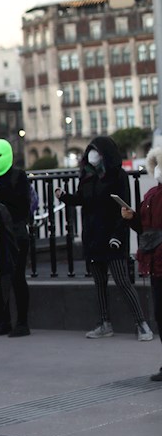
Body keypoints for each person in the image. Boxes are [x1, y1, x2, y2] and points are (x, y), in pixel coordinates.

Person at [56, 137, 152, 341]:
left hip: (112, 236)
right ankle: (104, 323)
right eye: (90, 150)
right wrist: (65, 197)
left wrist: (118, 235)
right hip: (93, 236)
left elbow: (123, 207)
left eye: (96, 150)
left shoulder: (118, 176)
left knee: (122, 280)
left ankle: (141, 323)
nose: (92, 154)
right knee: (99, 282)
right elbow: (82, 199)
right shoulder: (87, 176)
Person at [120, 146, 162, 379]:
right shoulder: (152, 195)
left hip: (158, 260)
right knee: (160, 315)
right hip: (156, 262)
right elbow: (146, 229)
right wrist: (132, 218)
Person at [0, 139, 33, 337]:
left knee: (17, 278)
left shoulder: (18, 176)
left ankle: (22, 323)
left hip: (16, 235)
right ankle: (2, 321)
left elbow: (22, 207)